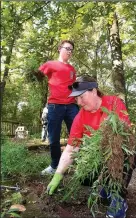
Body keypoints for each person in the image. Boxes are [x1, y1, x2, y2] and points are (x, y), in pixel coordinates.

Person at [47, 75, 136, 218]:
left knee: (122, 155)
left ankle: (118, 199)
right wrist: (58, 175)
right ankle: (106, 185)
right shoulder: (80, 117)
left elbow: (124, 135)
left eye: (81, 97)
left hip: (121, 152)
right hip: (99, 156)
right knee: (84, 176)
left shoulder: (114, 103)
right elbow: (71, 149)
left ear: (93, 91)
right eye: (76, 99)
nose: (78, 102)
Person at [38, 40, 79, 175]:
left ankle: (79, 165)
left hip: (72, 106)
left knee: (77, 136)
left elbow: (74, 87)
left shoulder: (72, 69)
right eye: (67, 48)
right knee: (54, 137)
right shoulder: (50, 64)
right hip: (55, 106)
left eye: (71, 49)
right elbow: (38, 75)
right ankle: (55, 165)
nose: (69, 51)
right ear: (59, 49)